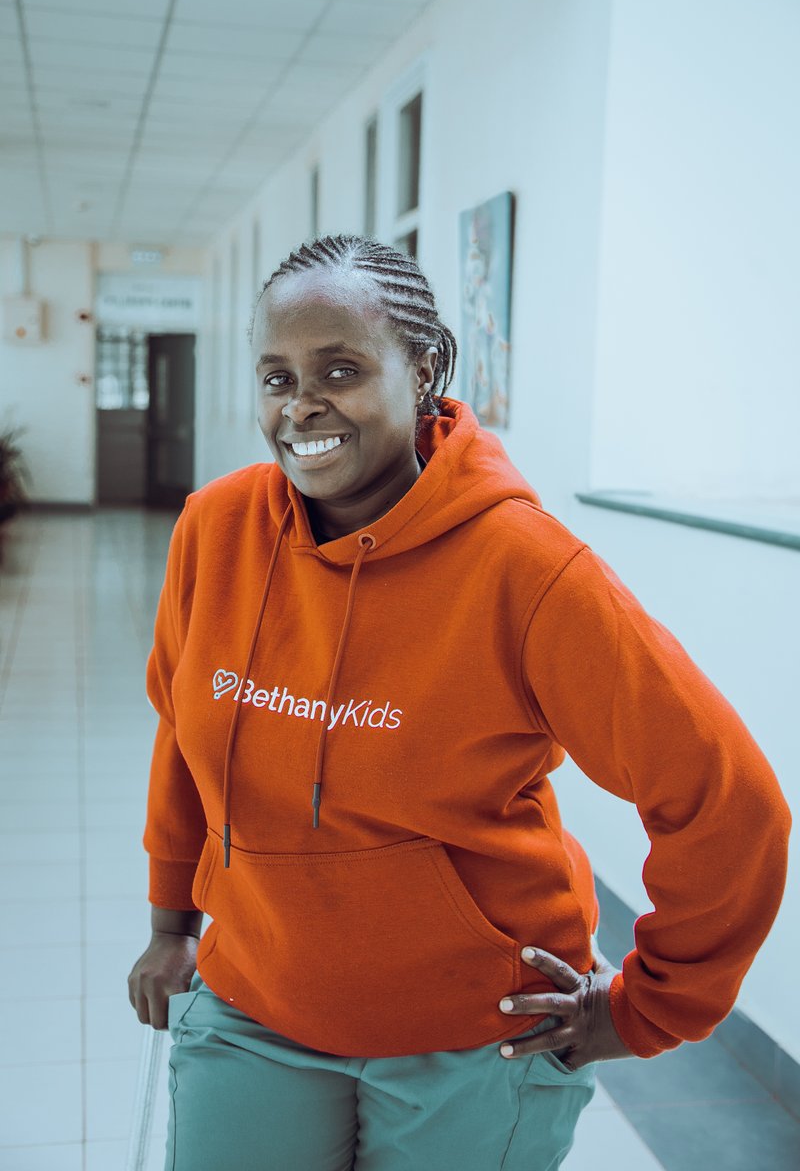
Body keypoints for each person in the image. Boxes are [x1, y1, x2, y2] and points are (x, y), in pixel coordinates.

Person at [129, 234, 791, 1171]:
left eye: (342, 369)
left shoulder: (527, 569)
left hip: (478, 1039)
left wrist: (647, 1007)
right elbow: (182, 726)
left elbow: (730, 805)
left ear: (427, 367)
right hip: (254, 1006)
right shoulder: (216, 528)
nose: (302, 405)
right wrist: (169, 924)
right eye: (276, 376)